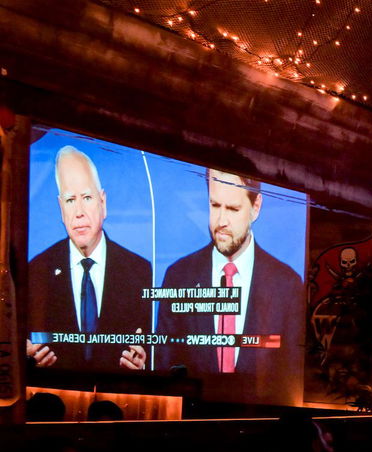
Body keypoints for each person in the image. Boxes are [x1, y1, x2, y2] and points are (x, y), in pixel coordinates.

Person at [154, 169, 303, 388]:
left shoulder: (287, 284)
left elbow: (291, 376)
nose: (221, 221)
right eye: (214, 205)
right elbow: (166, 365)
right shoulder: (179, 276)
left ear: (256, 207)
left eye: (233, 209)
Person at [26, 145, 150, 371]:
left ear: (103, 203)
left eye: (87, 197)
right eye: (70, 200)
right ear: (60, 208)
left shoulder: (140, 271)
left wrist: (142, 368)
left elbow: (153, 352)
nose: (79, 212)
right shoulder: (36, 270)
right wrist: (27, 358)